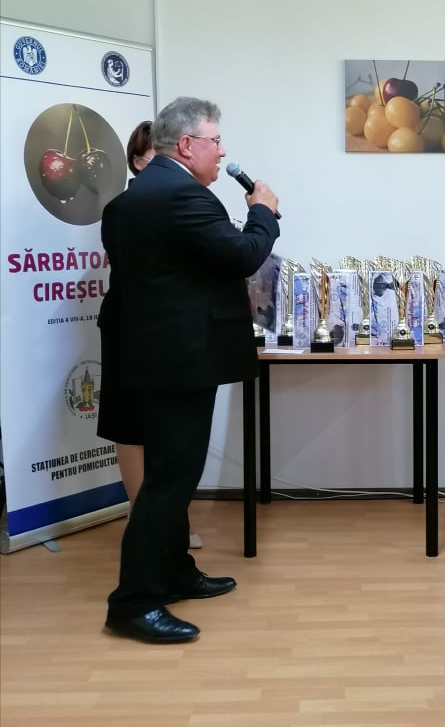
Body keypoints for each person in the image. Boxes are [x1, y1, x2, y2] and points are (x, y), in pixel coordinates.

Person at [100, 97, 280, 642]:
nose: (222, 152)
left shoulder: (132, 198)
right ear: (186, 145)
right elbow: (242, 255)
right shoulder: (183, 196)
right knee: (169, 481)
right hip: (179, 361)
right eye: (215, 140)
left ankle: (175, 571)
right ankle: (133, 603)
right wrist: (264, 211)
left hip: (151, 357)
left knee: (169, 476)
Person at [100, 120, 202, 549]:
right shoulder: (123, 209)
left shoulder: (186, 203)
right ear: (138, 161)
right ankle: (141, 520)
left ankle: (168, 523)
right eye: (153, 155)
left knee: (171, 431)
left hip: (168, 333)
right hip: (128, 330)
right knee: (131, 426)